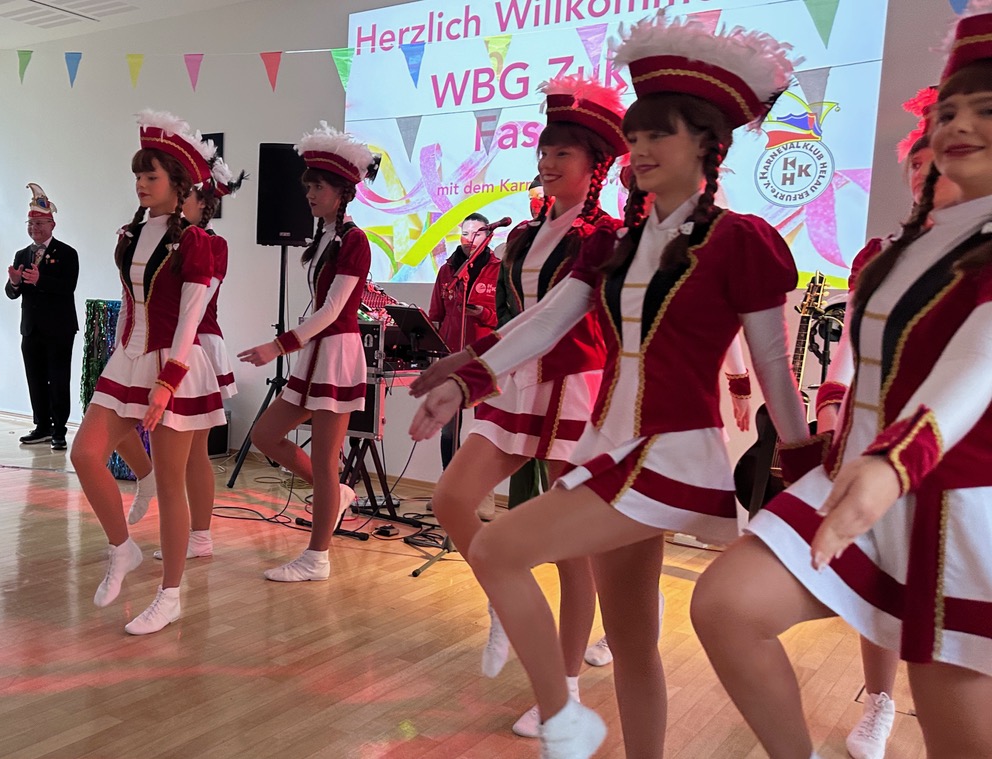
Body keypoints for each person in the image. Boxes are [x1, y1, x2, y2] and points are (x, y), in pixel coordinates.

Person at [409, 14, 807, 755]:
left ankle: (563, 714)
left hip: (670, 453)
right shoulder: (619, 244)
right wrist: (466, 380)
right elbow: (547, 320)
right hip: (610, 445)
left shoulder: (740, 240)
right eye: (638, 133)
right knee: (631, 642)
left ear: (707, 145)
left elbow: (774, 366)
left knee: (497, 551)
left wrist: (806, 466)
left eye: (661, 133)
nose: (642, 147)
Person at [695, 12, 992, 750]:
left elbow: (976, 365)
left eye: (985, 110)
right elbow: (862, 357)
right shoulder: (895, 252)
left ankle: (881, 707)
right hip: (858, 471)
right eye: (948, 112)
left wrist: (893, 462)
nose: (957, 127)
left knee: (958, 731)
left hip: (958, 506)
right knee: (727, 604)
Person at [415, 74, 626, 738]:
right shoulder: (522, 235)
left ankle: (564, 687)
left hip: (575, 386)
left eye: (564, 152)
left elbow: (563, 320)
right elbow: (516, 319)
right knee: (451, 498)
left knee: (572, 551)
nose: (548, 161)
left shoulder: (607, 236)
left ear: (596, 164)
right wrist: (468, 364)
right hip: (516, 380)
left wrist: (471, 370)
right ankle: (507, 600)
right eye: (545, 149)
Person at [809, 86, 961, 759]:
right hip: (875, 438)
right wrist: (832, 398)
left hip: (955, 444)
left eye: (936, 161)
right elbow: (854, 339)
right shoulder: (878, 252)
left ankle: (948, 718)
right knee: (876, 576)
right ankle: (879, 700)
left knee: (944, 594)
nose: (924, 172)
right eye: (915, 162)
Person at [71, 110, 225, 635]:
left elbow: (191, 316)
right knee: (85, 453)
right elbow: (127, 302)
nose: (140, 183)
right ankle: (123, 548)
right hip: (128, 360)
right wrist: (115, 359)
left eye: (151, 175)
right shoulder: (130, 232)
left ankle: (171, 594)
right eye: (138, 174)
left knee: (172, 483)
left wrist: (169, 380)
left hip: (173, 364)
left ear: (178, 184)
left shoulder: (196, 241)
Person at [238, 122, 379, 582]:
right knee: (265, 435)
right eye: (309, 187)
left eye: (318, 187)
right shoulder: (325, 237)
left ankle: (317, 557)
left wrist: (277, 345)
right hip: (315, 354)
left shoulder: (355, 240)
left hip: (337, 355)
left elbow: (335, 309)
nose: (310, 195)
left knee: (323, 460)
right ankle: (336, 493)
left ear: (342, 192)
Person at [144, 157, 246, 562]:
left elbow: (198, 303)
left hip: (197, 345)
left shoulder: (211, 243)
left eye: (186, 195)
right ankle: (189, 531)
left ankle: (199, 536)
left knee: (194, 452)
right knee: (182, 453)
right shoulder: (167, 236)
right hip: (171, 344)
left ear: (204, 203)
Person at [5, 183, 78, 451]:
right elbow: (12, 293)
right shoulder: (22, 254)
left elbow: (68, 287)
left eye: (39, 223)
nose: (34, 228)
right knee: (35, 379)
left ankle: (59, 430)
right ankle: (42, 426)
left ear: (52, 225)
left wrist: (40, 280)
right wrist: (14, 283)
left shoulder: (67, 253)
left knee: (58, 379)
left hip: (59, 329)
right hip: (31, 328)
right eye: (31, 224)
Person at [428, 212, 499, 472]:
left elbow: (506, 317)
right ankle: (447, 482)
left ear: (488, 235)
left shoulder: (498, 269)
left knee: (483, 427)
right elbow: (436, 315)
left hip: (484, 360)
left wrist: (483, 314)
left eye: (477, 233)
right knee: (448, 428)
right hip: (451, 357)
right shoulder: (448, 270)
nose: (470, 239)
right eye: (465, 233)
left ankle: (479, 488)